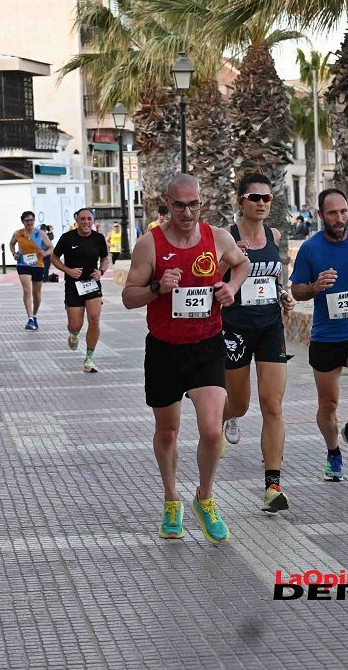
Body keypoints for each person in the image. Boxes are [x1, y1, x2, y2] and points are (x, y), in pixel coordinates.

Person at [122, 174, 249, 543]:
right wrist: (158, 287)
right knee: (168, 431)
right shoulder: (150, 245)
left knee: (211, 431)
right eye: (179, 205)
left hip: (206, 345)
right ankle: (171, 498)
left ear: (201, 202)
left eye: (194, 204)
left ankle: (205, 497)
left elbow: (240, 265)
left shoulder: (218, 238)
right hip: (164, 349)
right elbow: (129, 297)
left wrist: (231, 287)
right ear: (167, 203)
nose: (188, 212)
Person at [289, 187, 348, 481]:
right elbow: (296, 290)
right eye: (332, 213)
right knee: (328, 404)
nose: (339, 218)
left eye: (343, 212)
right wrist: (315, 286)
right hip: (326, 337)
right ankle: (333, 452)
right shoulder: (310, 249)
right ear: (320, 216)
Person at [219, 173, 296, 513]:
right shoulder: (226, 237)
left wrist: (285, 296)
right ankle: (224, 418)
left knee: (273, 404)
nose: (262, 203)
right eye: (255, 197)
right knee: (240, 403)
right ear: (241, 201)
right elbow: (208, 276)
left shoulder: (274, 236)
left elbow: (276, 277)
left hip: (269, 326)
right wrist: (230, 259)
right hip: (234, 327)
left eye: (267, 198)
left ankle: (273, 485)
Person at [51, 207, 109, 373]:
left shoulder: (98, 238)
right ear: (77, 221)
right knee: (75, 325)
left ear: (93, 221)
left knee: (94, 318)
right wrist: (67, 270)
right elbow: (54, 258)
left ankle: (89, 358)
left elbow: (105, 259)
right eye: (82, 219)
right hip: (73, 285)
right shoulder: (67, 238)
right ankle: (74, 334)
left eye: (89, 219)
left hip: (92, 284)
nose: (86, 222)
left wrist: (101, 271)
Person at [9, 211, 53, 331]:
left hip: (38, 265)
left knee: (36, 294)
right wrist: (14, 254)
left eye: (31, 220)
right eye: (27, 220)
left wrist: (45, 253)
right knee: (27, 290)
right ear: (22, 221)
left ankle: (34, 315)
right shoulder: (18, 233)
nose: (29, 222)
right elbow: (11, 243)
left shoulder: (40, 233)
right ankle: (30, 318)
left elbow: (51, 247)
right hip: (23, 265)